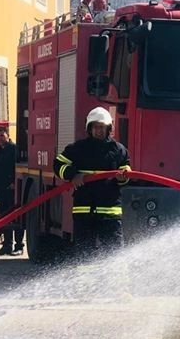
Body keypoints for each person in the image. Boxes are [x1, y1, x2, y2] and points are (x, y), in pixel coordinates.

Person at [53, 106, 131, 254]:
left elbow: (127, 171)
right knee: (84, 255)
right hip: (84, 211)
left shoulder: (119, 150)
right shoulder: (77, 148)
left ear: (109, 128)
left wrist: (124, 176)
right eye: (95, 127)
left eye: (102, 127)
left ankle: (113, 278)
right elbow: (58, 164)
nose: (98, 131)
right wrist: (73, 175)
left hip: (110, 213)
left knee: (114, 255)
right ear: (89, 128)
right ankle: (85, 278)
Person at [0, 125, 22, 256]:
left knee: (17, 217)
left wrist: (14, 183)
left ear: (8, 135)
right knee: (4, 218)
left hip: (13, 189)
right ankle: (6, 245)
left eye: (2, 135)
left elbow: (19, 167)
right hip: (2, 189)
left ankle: (19, 246)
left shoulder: (14, 149)